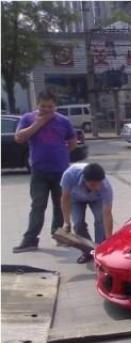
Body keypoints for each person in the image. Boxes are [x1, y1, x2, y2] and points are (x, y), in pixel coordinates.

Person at [13, 90, 77, 253]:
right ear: (37, 104)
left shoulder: (63, 121)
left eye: (50, 107)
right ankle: (30, 240)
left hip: (60, 170)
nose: (47, 110)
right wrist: (39, 123)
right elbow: (19, 138)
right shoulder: (28, 118)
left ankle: (59, 236)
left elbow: (72, 141)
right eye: (43, 106)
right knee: (38, 205)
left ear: (55, 106)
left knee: (60, 205)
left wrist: (62, 154)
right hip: (39, 170)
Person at [60, 163, 113, 263]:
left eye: (98, 184)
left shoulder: (105, 186)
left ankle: (99, 252)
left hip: (97, 199)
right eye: (93, 184)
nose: (97, 187)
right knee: (78, 224)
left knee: (100, 220)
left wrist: (109, 239)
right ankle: (88, 252)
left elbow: (107, 213)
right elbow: (65, 198)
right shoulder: (70, 175)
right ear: (84, 180)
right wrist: (66, 222)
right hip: (76, 199)